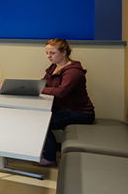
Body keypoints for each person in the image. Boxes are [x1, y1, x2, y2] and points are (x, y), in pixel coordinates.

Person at [39, 38, 95, 166]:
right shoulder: (54, 67)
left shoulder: (73, 71)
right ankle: (44, 152)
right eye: (47, 53)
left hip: (80, 112)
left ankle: (49, 158)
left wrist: (40, 89)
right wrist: (37, 87)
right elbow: (44, 83)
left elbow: (61, 92)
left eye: (52, 53)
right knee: (37, 118)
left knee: (42, 124)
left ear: (64, 52)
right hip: (64, 109)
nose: (48, 56)